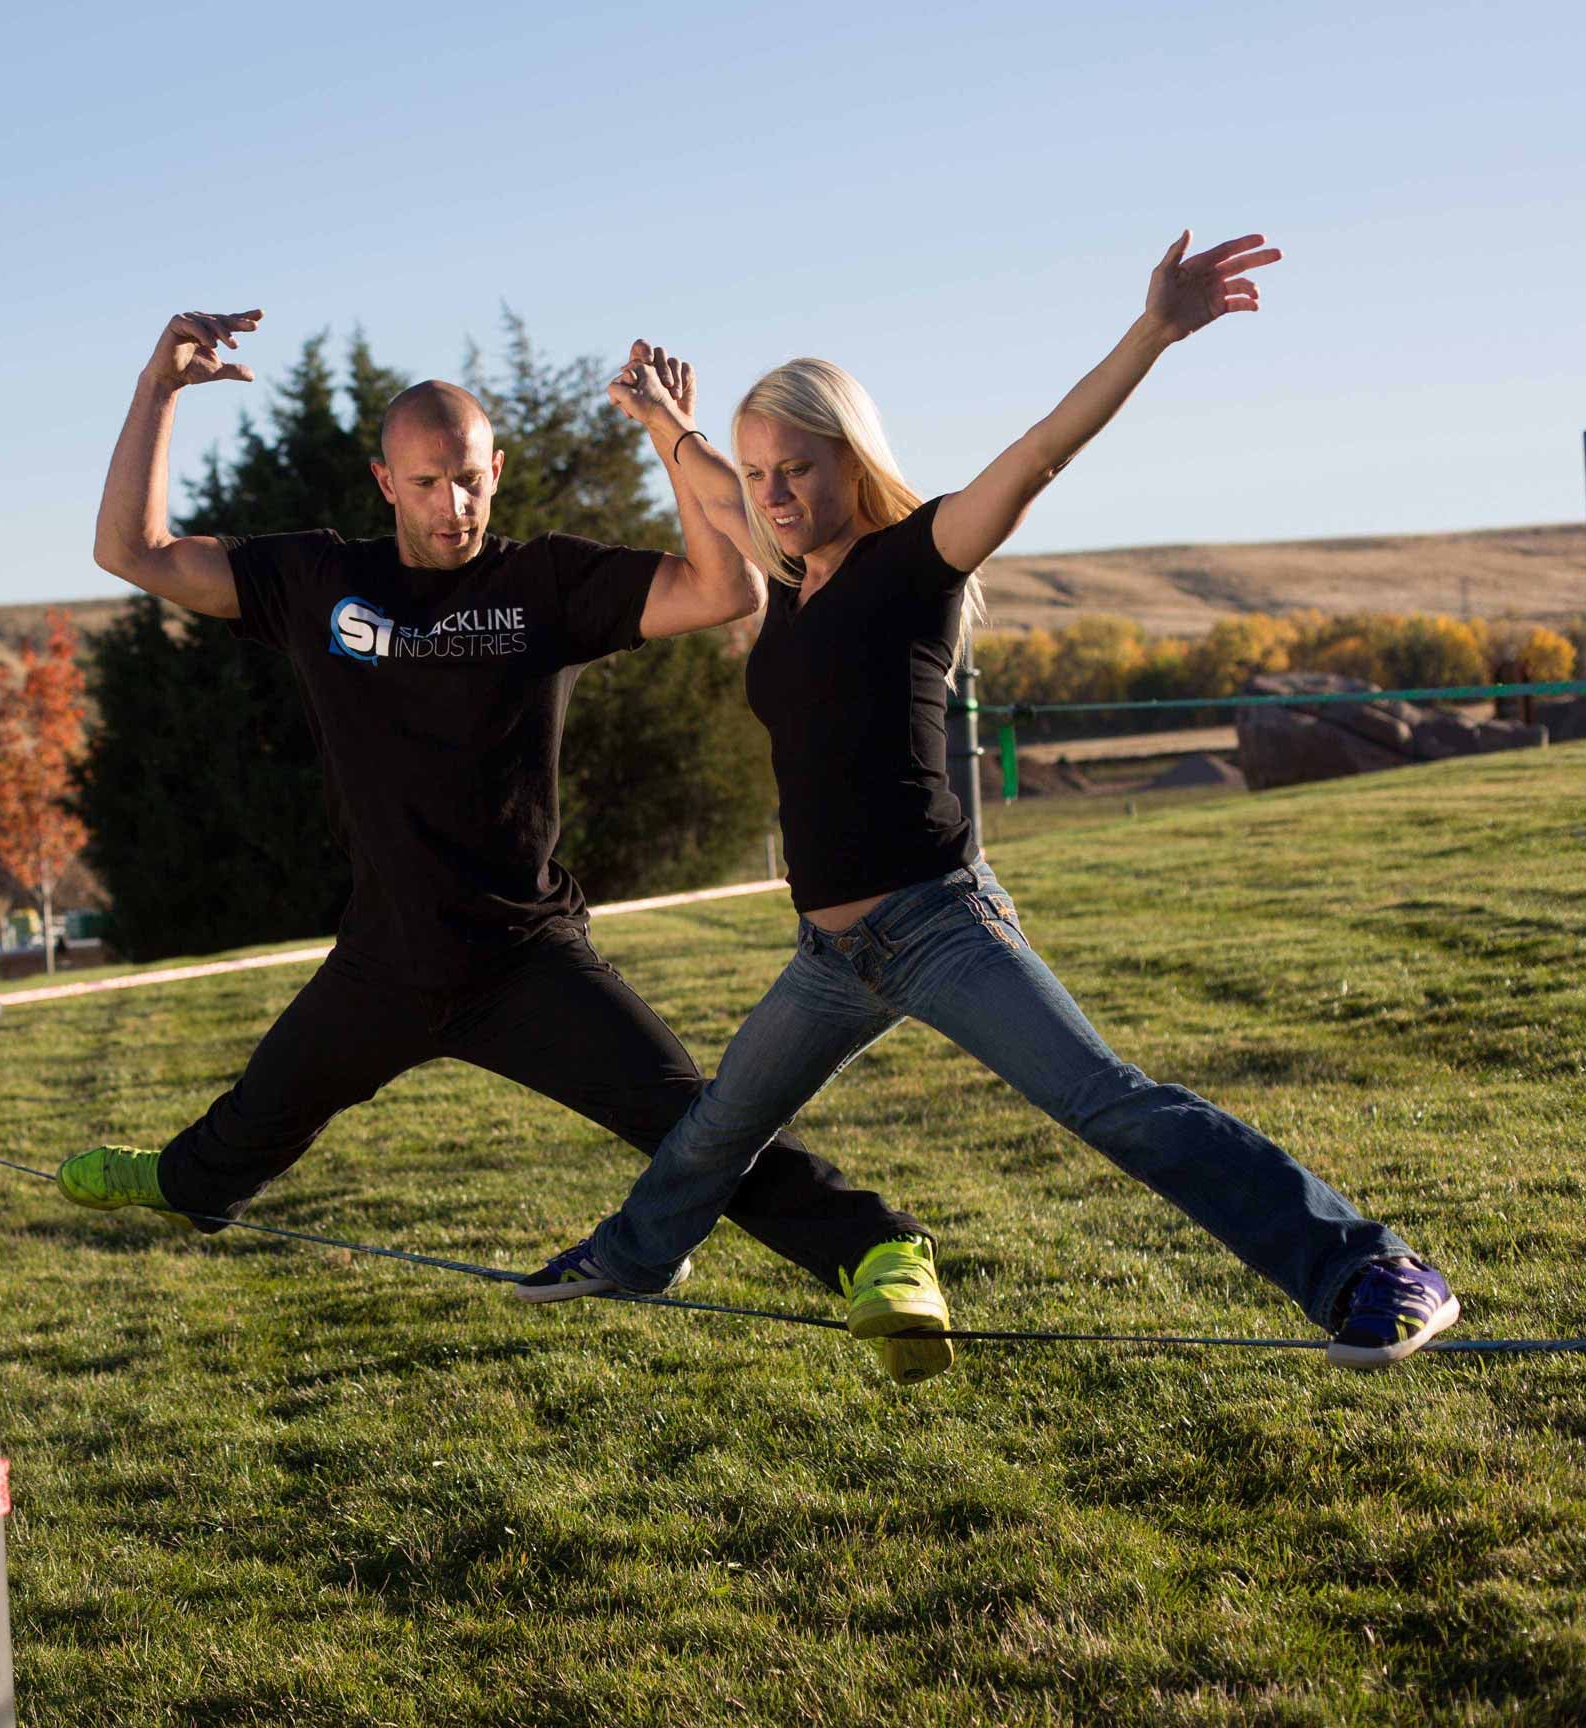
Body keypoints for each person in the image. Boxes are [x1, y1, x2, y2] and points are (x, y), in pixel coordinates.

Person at [512, 234, 1461, 1370]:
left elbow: (1041, 453)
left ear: (850, 459)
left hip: (940, 925)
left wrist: (1153, 331)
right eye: (763, 474)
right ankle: (639, 1251)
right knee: (721, 1122)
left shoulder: (918, 561)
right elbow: (710, 485)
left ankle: (1373, 1267)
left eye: (798, 470)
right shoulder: (785, 581)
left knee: (1113, 1105)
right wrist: (662, 419)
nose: (773, 495)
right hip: (829, 957)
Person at [58, 308, 960, 1384]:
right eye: (430, 483)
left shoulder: (544, 584)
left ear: (499, 470)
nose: (456, 505)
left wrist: (665, 431)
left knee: (696, 1126)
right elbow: (131, 551)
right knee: (246, 1131)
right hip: (384, 962)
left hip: (527, 960)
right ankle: (179, 1182)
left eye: (473, 480)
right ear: (387, 482)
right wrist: (158, 387)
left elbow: (724, 589)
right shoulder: (314, 580)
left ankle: (879, 1252)